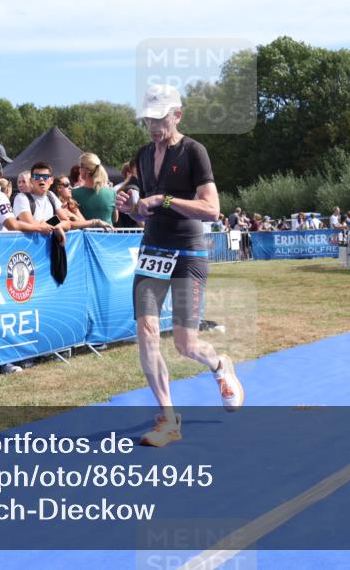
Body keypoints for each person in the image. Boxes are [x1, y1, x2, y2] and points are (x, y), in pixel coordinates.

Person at [115, 84, 243, 448]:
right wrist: (132, 208)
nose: (153, 127)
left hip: (188, 253)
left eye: (160, 119)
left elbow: (212, 209)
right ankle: (168, 418)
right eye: (147, 120)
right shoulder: (142, 155)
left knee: (185, 344)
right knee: (147, 331)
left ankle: (220, 366)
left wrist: (167, 199)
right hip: (152, 250)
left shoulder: (194, 152)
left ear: (177, 115)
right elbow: (145, 213)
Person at [72, 152, 117, 226]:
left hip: (85, 237)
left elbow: (67, 219)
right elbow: (115, 219)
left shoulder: (74, 193)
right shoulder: (112, 193)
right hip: (108, 235)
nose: (79, 169)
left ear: (85, 169)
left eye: (80, 167)